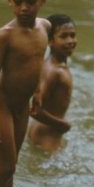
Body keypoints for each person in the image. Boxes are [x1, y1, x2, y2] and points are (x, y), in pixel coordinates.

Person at [0, 0, 51, 187]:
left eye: (31, 1)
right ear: (8, 0)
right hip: (3, 107)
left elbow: (38, 60)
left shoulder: (45, 27)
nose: (24, 7)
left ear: (42, 0)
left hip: (22, 107)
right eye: (18, 1)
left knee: (12, 163)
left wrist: (38, 91)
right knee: (6, 167)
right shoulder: (5, 35)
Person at [28, 14, 77, 152]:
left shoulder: (49, 64)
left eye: (73, 35)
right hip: (47, 138)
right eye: (63, 36)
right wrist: (63, 125)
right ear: (49, 40)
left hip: (39, 131)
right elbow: (34, 110)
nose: (70, 41)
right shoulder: (55, 72)